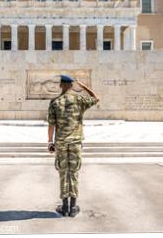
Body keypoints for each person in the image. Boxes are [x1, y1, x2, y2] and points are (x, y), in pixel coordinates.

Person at [47, 74, 99, 218]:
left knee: (63, 173)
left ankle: (64, 207)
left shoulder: (55, 102)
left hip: (61, 143)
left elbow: (51, 124)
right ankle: (73, 207)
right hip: (75, 143)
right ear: (71, 85)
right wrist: (82, 86)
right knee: (74, 173)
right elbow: (96, 98)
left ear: (60, 85)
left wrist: (50, 142)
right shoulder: (79, 100)